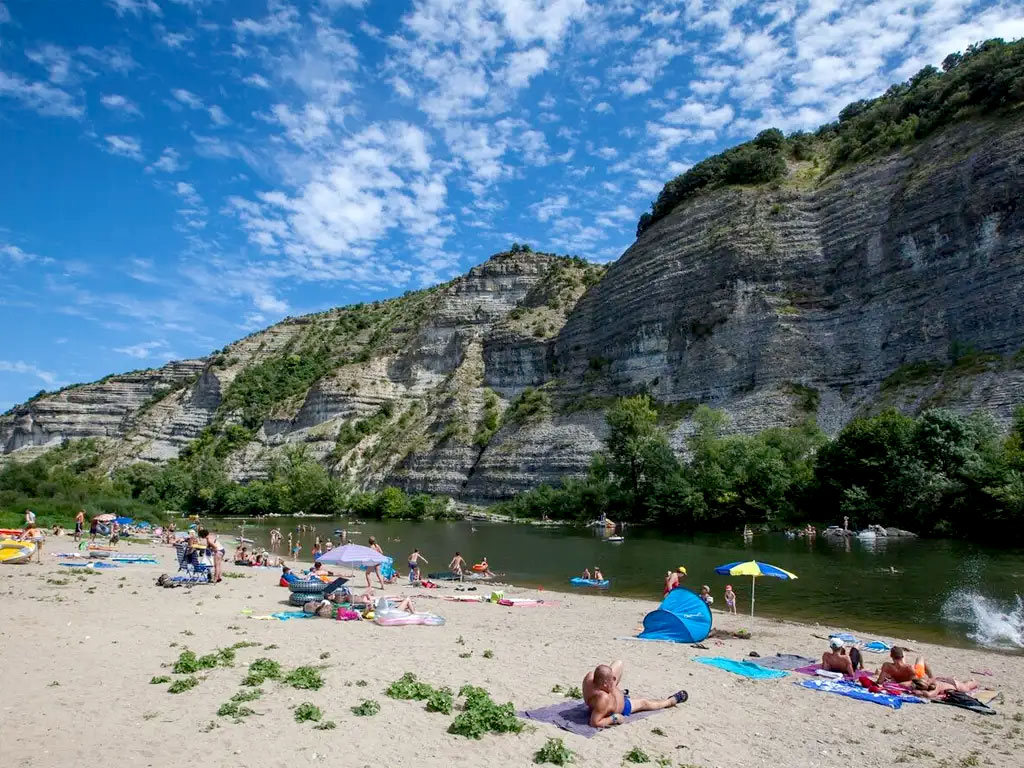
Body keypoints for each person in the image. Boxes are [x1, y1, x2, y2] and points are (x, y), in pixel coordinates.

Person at [582, 660, 687, 728]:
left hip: (604, 695)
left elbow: (603, 677)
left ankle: (619, 690)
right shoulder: (602, 698)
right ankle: (670, 701)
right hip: (623, 706)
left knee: (619, 663)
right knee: (644, 703)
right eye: (612, 679)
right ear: (605, 684)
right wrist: (614, 718)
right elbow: (594, 722)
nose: (614, 679)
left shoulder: (590, 677)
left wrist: (609, 679)